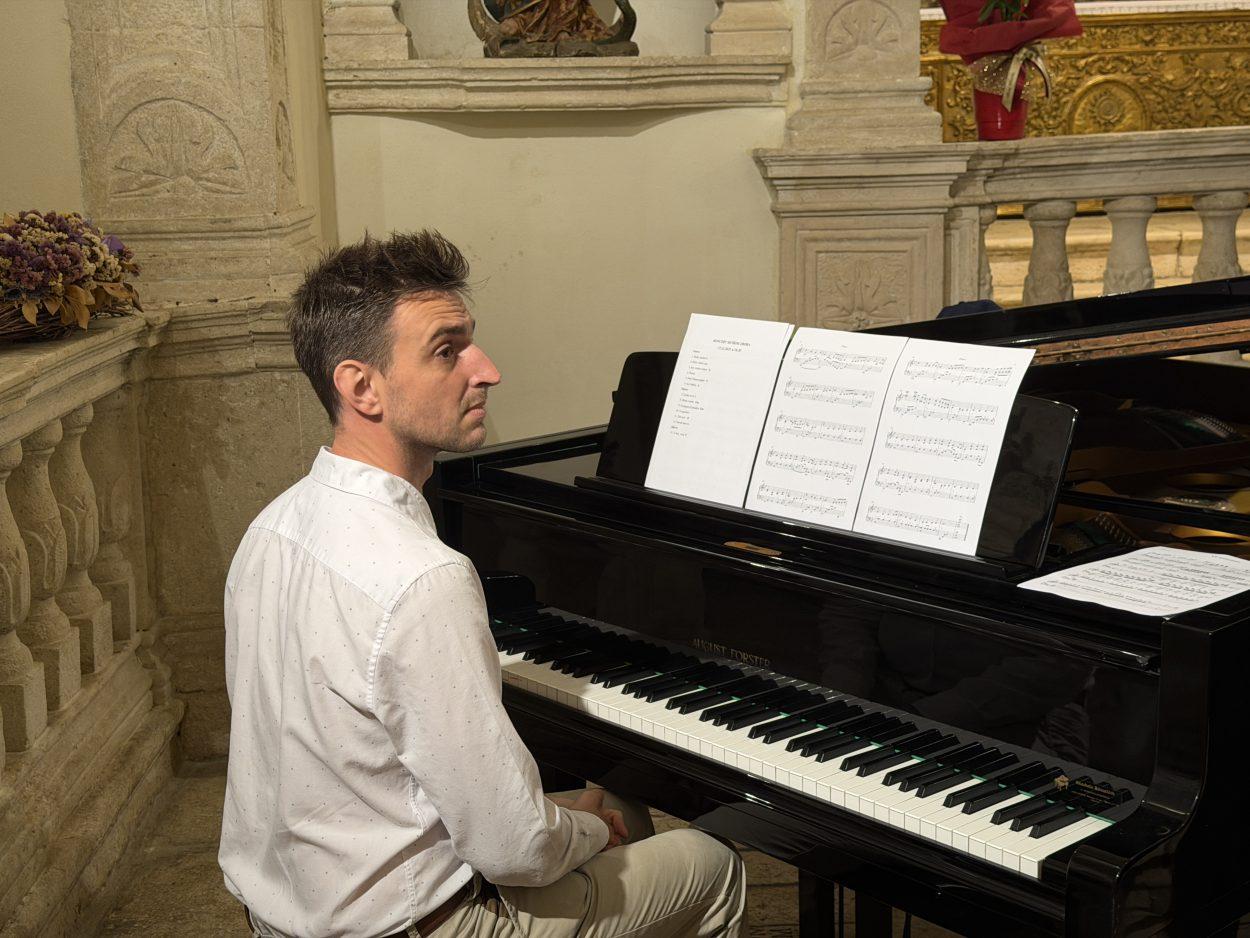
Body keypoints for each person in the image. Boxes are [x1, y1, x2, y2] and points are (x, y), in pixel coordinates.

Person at [218, 230, 745, 938]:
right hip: (417, 926)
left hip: (285, 914)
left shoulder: (273, 526)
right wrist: (585, 830)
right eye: (448, 350)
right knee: (711, 865)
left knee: (615, 809)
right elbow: (515, 851)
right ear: (361, 387)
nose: (487, 370)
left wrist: (563, 821)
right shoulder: (422, 577)